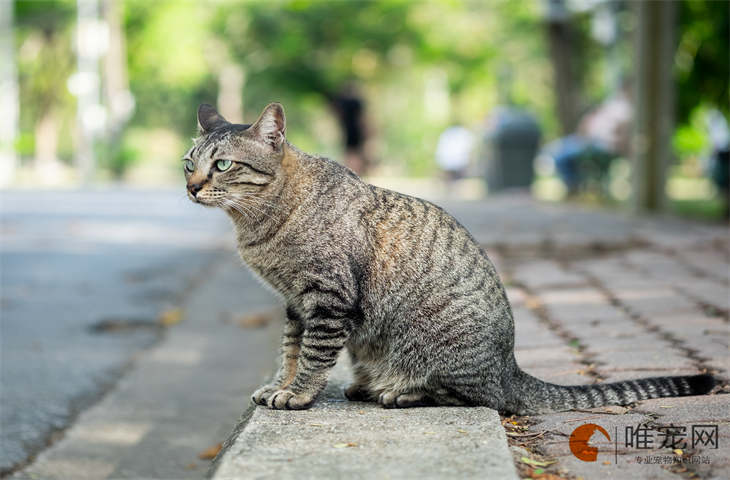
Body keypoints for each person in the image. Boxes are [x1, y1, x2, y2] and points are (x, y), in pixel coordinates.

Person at [435, 124, 474, 191]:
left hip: (449, 158)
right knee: (454, 173)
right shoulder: (464, 132)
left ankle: (451, 186)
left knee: (452, 172)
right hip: (458, 158)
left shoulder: (447, 132)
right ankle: (454, 186)